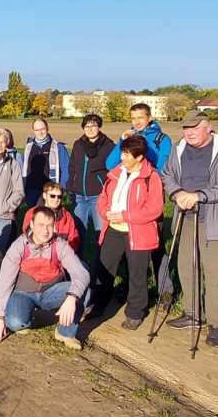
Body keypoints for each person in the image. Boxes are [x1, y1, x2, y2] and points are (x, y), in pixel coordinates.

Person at [161, 110, 218, 348]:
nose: (189, 133)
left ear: (207, 127)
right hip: (186, 218)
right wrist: (177, 193)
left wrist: (201, 196)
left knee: (216, 271)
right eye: (186, 129)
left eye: (194, 128)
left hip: (216, 220)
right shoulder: (178, 149)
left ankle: (217, 323)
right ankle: (192, 314)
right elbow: (167, 175)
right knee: (187, 267)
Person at [0, 206, 91, 350]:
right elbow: (5, 281)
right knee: (15, 322)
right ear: (31, 224)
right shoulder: (19, 246)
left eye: (50, 226)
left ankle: (65, 332)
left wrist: (71, 297)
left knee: (84, 290)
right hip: (23, 292)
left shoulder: (60, 245)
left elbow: (81, 273)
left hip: (51, 291)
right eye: (41, 225)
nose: (45, 231)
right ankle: (24, 314)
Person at [107, 102, 177, 304]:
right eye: (133, 118)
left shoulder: (162, 139)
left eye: (140, 118)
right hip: (128, 202)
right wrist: (122, 141)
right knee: (132, 247)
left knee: (155, 246)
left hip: (149, 199)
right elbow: (111, 164)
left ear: (149, 117)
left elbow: (161, 166)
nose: (137, 122)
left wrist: (141, 144)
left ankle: (165, 289)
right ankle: (132, 289)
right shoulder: (129, 138)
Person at [92, 135, 164, 326]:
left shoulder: (152, 177)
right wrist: (104, 211)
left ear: (139, 156)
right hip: (113, 229)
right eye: (122, 153)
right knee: (105, 269)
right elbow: (103, 197)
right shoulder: (116, 172)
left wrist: (126, 216)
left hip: (138, 232)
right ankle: (99, 304)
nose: (122, 158)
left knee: (137, 273)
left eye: (127, 154)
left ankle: (135, 312)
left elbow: (154, 209)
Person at [67, 113, 115, 275]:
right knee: (76, 234)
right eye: (87, 126)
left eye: (93, 126)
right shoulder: (78, 145)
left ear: (99, 127)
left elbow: (112, 170)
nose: (90, 129)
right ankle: (75, 267)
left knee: (100, 234)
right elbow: (72, 166)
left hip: (98, 196)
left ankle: (100, 270)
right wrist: (70, 186)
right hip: (79, 195)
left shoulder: (108, 146)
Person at [22, 118, 70, 208]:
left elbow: (66, 168)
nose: (40, 132)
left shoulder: (57, 146)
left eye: (42, 129)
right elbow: (24, 167)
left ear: (47, 128)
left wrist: (62, 187)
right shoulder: (28, 146)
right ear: (33, 131)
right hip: (31, 190)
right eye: (37, 130)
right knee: (34, 217)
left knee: (50, 218)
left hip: (51, 191)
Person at [22, 182, 80, 251]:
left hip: (61, 255)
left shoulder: (67, 217)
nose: (56, 199)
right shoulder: (32, 213)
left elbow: (73, 240)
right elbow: (27, 237)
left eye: (59, 197)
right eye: (52, 196)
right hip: (36, 253)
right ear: (44, 196)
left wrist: (64, 254)